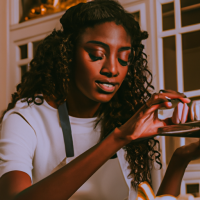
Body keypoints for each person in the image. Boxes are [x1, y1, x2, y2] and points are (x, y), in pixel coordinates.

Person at [0, 0, 193, 200]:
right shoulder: (26, 120)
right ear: (68, 54)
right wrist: (118, 138)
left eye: (123, 58)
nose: (112, 69)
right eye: (97, 54)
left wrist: (181, 158)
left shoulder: (122, 116)